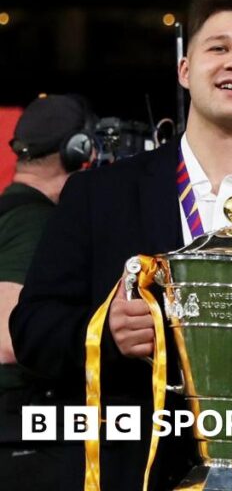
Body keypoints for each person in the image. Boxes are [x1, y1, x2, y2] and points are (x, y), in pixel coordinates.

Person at [10, 0, 232, 490]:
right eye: (218, 48)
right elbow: (32, 329)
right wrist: (104, 333)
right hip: (125, 473)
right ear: (185, 70)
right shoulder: (97, 196)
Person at [0, 94, 94, 488]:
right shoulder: (36, 223)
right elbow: (9, 339)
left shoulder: (9, 211)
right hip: (23, 430)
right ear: (78, 151)